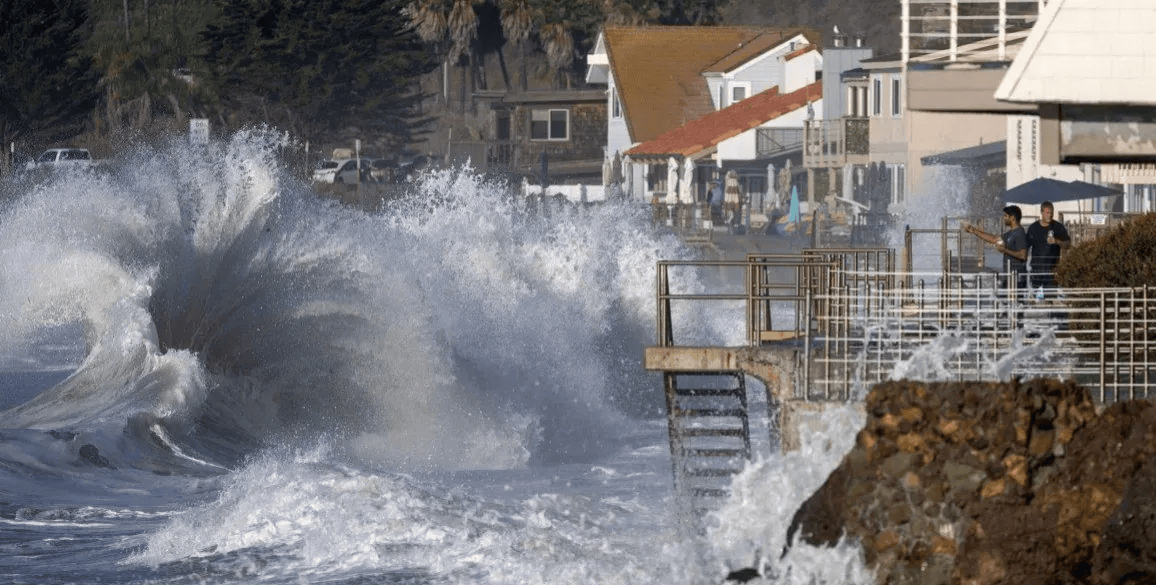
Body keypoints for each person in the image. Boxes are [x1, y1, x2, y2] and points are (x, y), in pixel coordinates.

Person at [965, 205, 1028, 291]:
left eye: (1006, 216)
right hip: (1008, 275)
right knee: (1004, 300)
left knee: (1014, 302)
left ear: (1013, 218)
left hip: (1017, 277)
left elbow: (1023, 255)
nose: (1004, 218)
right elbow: (994, 239)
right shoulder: (1010, 233)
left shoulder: (1020, 233)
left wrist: (1005, 250)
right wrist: (975, 231)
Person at [1025, 200, 1070, 292]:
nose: (1049, 215)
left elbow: (1067, 244)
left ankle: (1048, 301)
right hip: (1037, 270)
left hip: (1052, 270)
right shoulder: (1034, 228)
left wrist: (1057, 241)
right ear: (1041, 213)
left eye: (1051, 212)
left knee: (1050, 297)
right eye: (1047, 213)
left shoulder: (1058, 227)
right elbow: (1026, 246)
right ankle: (1039, 301)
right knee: (1038, 298)